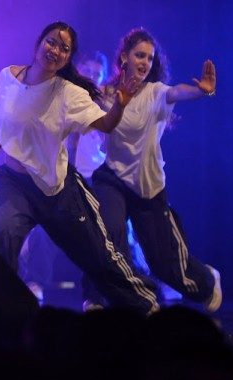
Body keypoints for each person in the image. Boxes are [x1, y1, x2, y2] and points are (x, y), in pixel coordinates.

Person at [0, 21, 159, 314]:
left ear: (67, 58)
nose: (55, 50)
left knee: (98, 254)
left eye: (64, 48)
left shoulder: (69, 93)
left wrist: (120, 105)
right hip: (14, 185)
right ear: (39, 43)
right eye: (51, 42)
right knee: (1, 234)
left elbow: (106, 124)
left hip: (58, 191)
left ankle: (144, 303)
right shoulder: (8, 77)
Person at [78, 28, 222, 312]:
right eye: (139, 55)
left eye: (149, 58)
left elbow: (178, 91)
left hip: (148, 186)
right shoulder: (106, 94)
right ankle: (96, 297)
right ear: (124, 57)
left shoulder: (156, 93)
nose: (144, 62)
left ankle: (207, 280)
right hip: (112, 179)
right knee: (107, 233)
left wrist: (202, 90)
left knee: (162, 263)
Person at [19, 51, 109, 299]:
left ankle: (126, 287)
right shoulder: (62, 94)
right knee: (49, 229)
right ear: (78, 69)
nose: (91, 76)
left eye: (97, 74)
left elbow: (110, 140)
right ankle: (35, 282)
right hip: (63, 174)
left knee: (111, 235)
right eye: (87, 70)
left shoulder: (104, 105)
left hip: (96, 178)